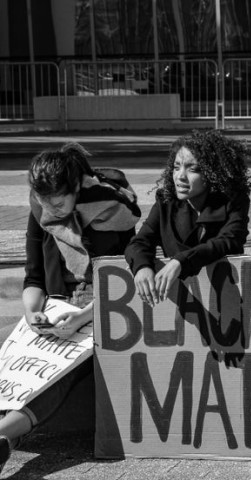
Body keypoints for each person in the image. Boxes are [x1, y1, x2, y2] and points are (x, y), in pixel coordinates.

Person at [0, 142, 141, 471]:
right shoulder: (41, 209)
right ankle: (5, 440)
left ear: (76, 188)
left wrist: (84, 315)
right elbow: (34, 276)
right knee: (14, 361)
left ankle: (3, 435)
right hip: (56, 307)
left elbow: (127, 279)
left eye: (58, 202)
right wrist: (31, 311)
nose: (49, 210)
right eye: (42, 201)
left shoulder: (112, 210)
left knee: (59, 374)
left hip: (103, 307)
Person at [125, 129, 251, 306]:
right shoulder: (166, 201)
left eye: (193, 169)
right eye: (176, 167)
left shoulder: (234, 201)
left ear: (213, 174)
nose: (180, 176)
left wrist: (180, 261)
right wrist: (141, 267)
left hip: (224, 300)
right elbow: (139, 242)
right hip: (181, 304)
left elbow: (230, 240)